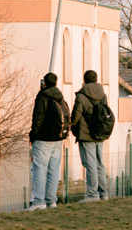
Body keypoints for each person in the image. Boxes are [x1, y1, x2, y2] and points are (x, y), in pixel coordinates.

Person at [27, 72, 68, 210]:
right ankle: (52, 201)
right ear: (56, 83)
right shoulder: (60, 96)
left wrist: (33, 136)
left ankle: (39, 201)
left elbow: (37, 118)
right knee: (54, 170)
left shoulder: (42, 96)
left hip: (43, 139)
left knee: (39, 170)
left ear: (44, 82)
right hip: (58, 139)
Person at [71, 69, 109, 202]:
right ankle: (103, 193)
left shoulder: (81, 96)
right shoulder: (103, 95)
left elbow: (76, 115)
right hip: (100, 133)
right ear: (96, 79)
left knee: (90, 164)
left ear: (85, 80)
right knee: (100, 164)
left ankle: (92, 194)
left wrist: (72, 126)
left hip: (86, 134)